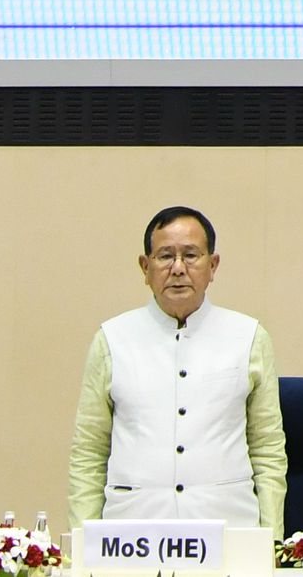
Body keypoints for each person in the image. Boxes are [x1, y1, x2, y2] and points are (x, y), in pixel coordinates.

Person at [68, 207, 287, 534]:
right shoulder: (112, 339)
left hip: (228, 529)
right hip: (132, 534)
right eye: (165, 256)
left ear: (213, 265)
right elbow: (89, 452)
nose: (178, 268)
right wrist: (82, 543)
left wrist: (270, 544)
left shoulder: (249, 337)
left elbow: (267, 450)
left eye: (191, 255)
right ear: (145, 267)